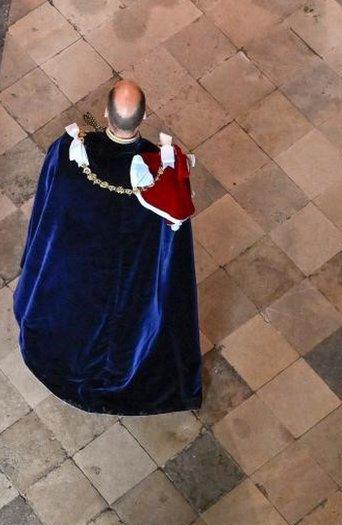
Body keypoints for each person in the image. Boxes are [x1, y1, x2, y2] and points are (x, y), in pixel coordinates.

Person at [13, 79, 201, 416]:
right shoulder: (162, 178)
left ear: (105, 113)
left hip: (76, 272)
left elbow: (47, 208)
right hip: (129, 280)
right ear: (143, 118)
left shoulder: (68, 154)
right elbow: (172, 249)